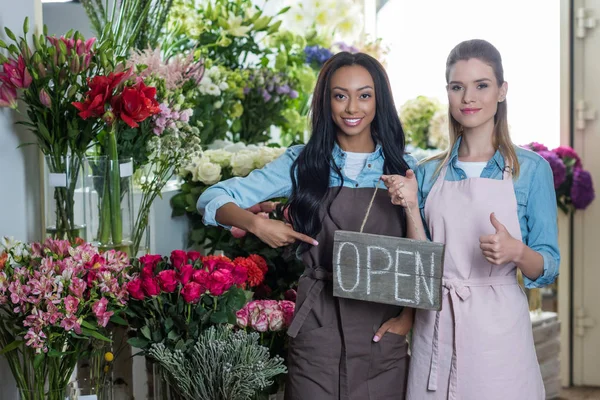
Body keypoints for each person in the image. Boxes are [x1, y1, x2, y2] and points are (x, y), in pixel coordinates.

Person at [198, 51, 420, 399]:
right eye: (340, 95)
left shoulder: (406, 168)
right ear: (326, 101)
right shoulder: (302, 163)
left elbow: (420, 253)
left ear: (380, 101)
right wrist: (256, 225)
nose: (352, 108)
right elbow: (213, 198)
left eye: (364, 95)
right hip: (318, 326)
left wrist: (407, 319)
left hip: (381, 328)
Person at [383, 39, 560, 400]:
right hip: (437, 325)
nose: (468, 97)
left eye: (481, 85)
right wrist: (412, 207)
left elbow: (549, 266)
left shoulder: (530, 170)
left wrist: (515, 251)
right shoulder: (428, 172)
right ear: (447, 92)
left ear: (501, 91)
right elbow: (421, 265)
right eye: (457, 86)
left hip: (500, 334)